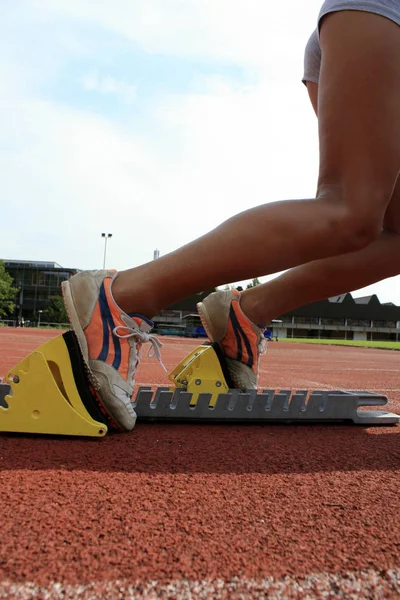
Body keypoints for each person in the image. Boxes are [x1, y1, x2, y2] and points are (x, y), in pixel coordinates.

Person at [62, 1, 400, 431]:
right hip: (382, 17)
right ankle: (120, 299)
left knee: (382, 229)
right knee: (348, 209)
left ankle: (248, 312)